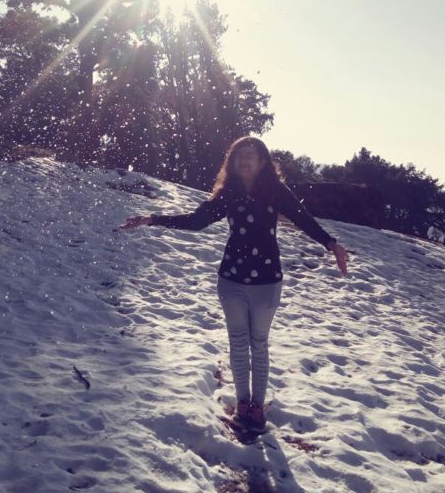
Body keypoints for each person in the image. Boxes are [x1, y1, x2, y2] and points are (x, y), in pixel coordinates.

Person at [119, 136, 349, 434]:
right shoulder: (228, 194)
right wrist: (152, 219)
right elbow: (196, 221)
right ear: (232, 161)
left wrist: (331, 244)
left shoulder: (276, 191)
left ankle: (258, 405)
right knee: (239, 342)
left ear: (263, 162)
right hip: (231, 279)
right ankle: (243, 404)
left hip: (267, 281)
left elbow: (302, 218)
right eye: (239, 155)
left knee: (259, 343)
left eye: (250, 155)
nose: (244, 160)